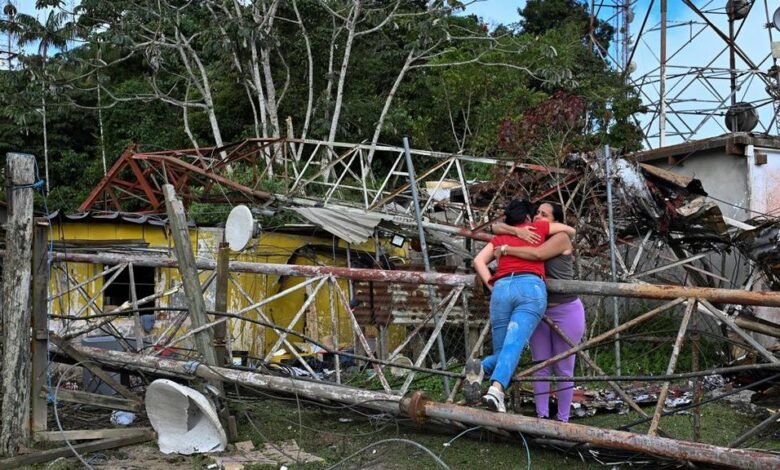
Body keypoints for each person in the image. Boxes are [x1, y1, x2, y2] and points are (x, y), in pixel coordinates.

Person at [466, 199, 574, 413]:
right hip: (529, 288)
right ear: (527, 217)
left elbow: (478, 260)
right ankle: (496, 390)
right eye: (536, 214)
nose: (538, 217)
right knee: (513, 344)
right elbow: (570, 230)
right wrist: (535, 228)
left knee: (503, 350)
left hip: (501, 290)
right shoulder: (538, 228)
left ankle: (482, 373)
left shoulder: (500, 237)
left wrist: (491, 284)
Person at [494, 202, 586, 422]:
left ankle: (563, 420)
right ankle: (541, 418)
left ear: (555, 221)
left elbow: (538, 254)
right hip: (540, 309)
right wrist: (516, 231)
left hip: (566, 309)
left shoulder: (561, 237)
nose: (537, 216)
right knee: (540, 365)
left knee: (563, 369)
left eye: (544, 214)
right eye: (536, 213)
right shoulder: (532, 234)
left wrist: (506, 249)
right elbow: (495, 226)